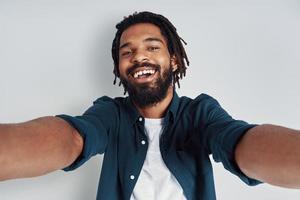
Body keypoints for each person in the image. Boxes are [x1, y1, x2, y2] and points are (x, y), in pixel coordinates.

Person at [0, 11, 299, 200]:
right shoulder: (110, 114)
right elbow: (73, 137)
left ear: (174, 60)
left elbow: (238, 142)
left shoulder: (200, 114)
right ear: (119, 69)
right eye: (127, 52)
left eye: (152, 47)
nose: (139, 57)